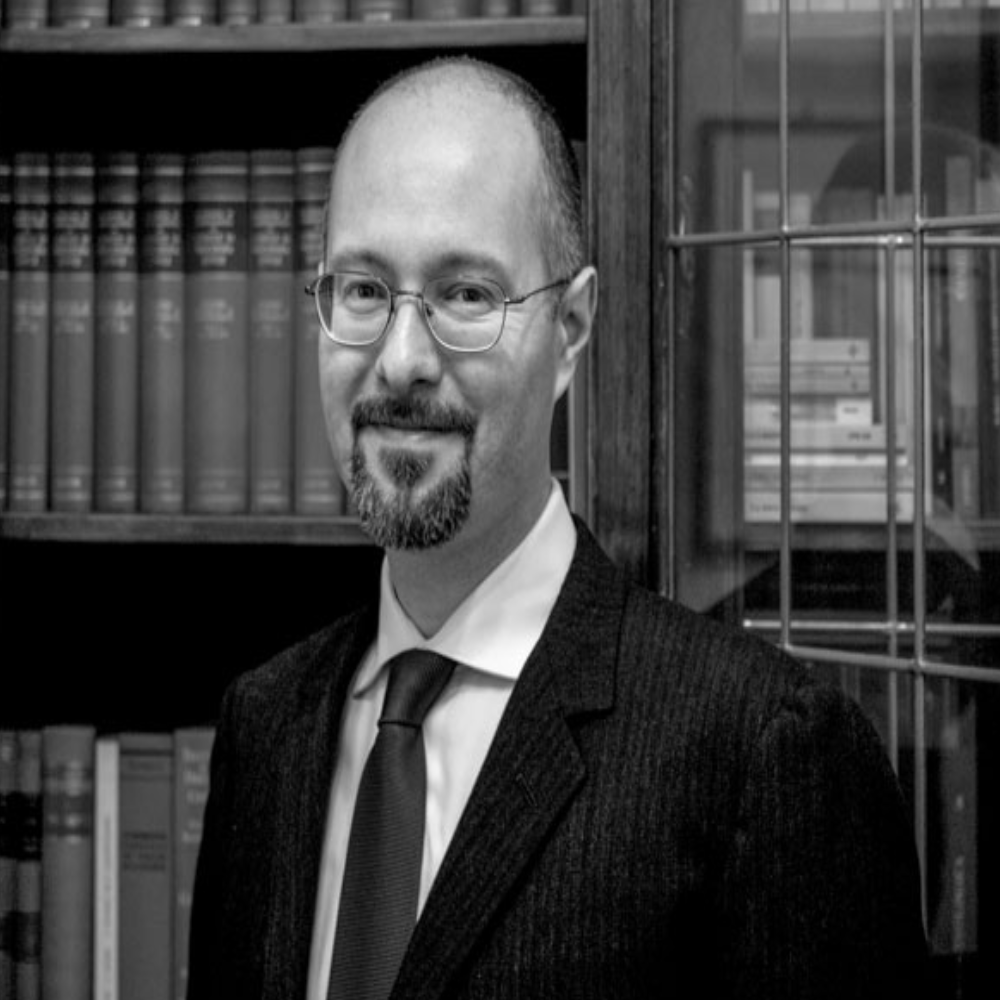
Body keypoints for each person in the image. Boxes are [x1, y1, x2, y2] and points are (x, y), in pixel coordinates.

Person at [187, 56, 929, 1000]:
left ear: (571, 328)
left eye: (466, 295)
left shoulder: (764, 756)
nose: (402, 360)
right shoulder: (265, 729)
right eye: (364, 289)